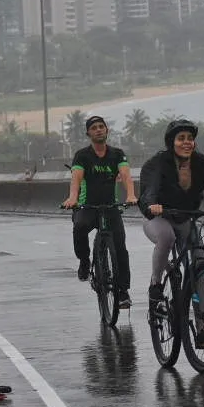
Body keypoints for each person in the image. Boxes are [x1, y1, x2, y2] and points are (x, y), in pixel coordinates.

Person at [137, 119, 204, 349]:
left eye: (189, 138)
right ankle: (156, 286)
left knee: (199, 262)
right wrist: (152, 205)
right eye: (181, 139)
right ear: (171, 142)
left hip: (187, 218)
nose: (186, 143)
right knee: (167, 237)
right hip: (159, 217)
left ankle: (202, 330)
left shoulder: (201, 163)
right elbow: (149, 190)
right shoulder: (158, 163)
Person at [61, 115, 138, 309]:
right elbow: (76, 179)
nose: (98, 130)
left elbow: (126, 175)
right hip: (87, 206)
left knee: (120, 247)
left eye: (101, 126)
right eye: (94, 127)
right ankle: (85, 261)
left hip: (110, 207)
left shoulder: (117, 154)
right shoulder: (82, 155)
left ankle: (123, 292)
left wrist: (130, 195)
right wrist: (73, 198)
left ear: (107, 130)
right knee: (79, 227)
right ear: (88, 133)